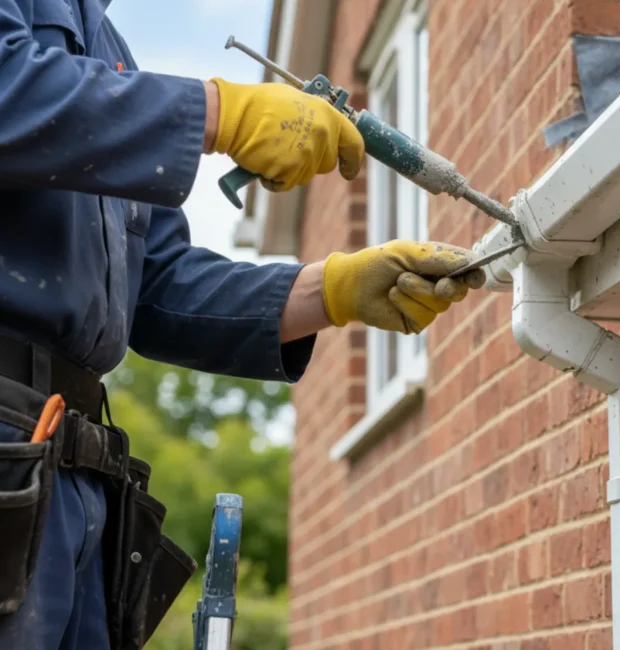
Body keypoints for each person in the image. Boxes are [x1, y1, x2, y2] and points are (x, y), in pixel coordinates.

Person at [0, 1, 487, 649]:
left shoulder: (105, 44)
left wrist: (333, 289)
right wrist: (218, 113)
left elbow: (157, 285)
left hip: (68, 473)